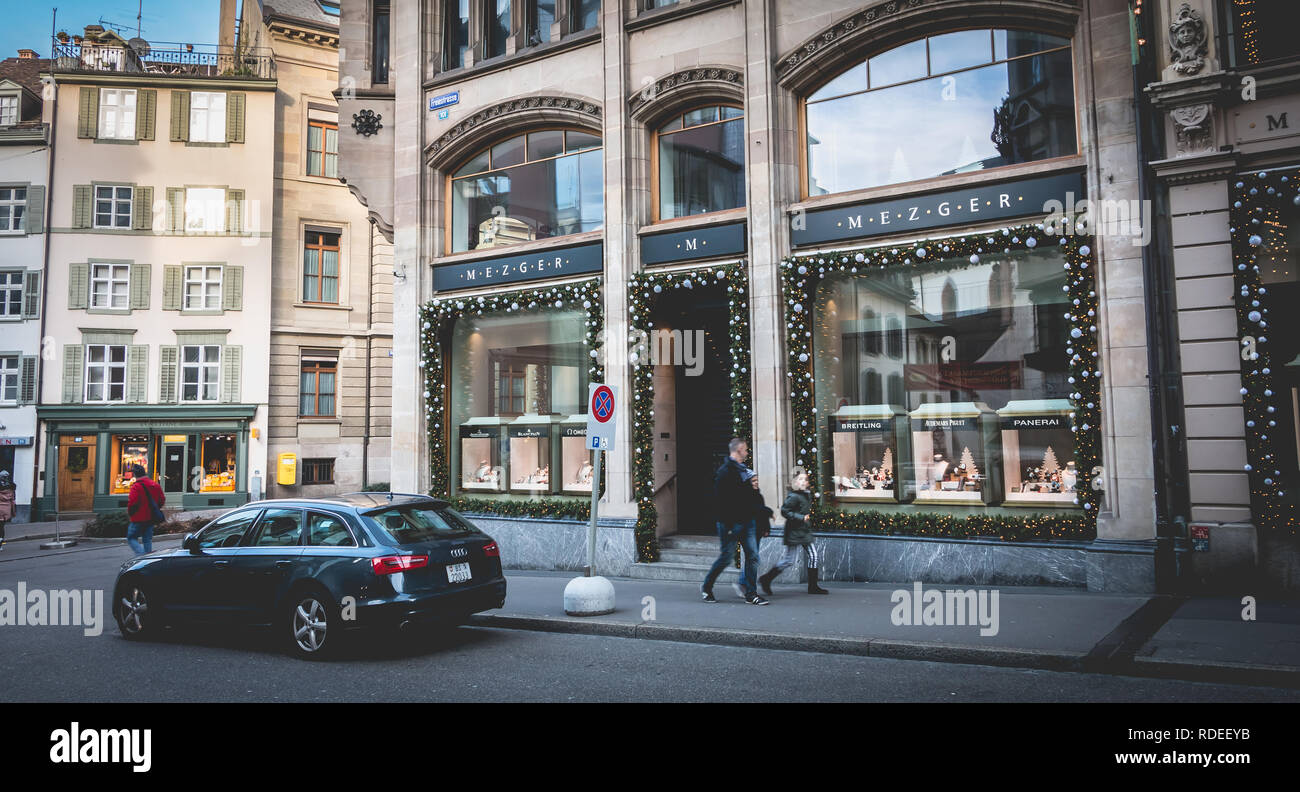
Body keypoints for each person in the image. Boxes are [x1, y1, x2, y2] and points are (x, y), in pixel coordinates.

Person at [701, 438, 768, 605]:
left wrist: (759, 515)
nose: (746, 453)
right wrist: (729, 525)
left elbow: (753, 497)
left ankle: (751, 594)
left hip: (748, 522)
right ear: (737, 451)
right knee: (726, 557)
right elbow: (719, 501)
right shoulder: (725, 472)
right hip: (730, 524)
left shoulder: (744, 471)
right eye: (745, 450)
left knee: (752, 556)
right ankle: (706, 587)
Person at [758, 469, 829, 595]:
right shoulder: (793, 496)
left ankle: (813, 586)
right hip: (794, 531)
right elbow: (784, 511)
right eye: (800, 479)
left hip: (803, 530)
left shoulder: (806, 494)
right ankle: (766, 579)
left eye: (805, 479)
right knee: (789, 560)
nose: (803, 481)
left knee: (813, 555)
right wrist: (801, 517)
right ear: (795, 482)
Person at [125, 463, 164, 555]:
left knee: (131, 537)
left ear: (135, 474)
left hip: (138, 517)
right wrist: (155, 508)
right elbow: (161, 499)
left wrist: (130, 513)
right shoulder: (154, 485)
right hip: (151, 517)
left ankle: (141, 556)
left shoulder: (136, 487)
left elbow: (132, 502)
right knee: (147, 539)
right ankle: (147, 559)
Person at [0, 470, 15, 551]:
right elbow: (13, 501)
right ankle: (0, 543)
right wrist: (13, 512)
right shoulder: (11, 488)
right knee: (1, 526)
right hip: (6, 510)